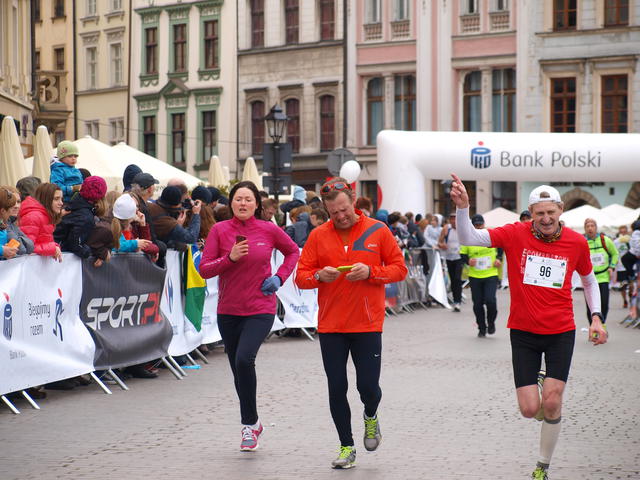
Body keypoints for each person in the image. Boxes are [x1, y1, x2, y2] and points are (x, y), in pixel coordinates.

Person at [450, 175, 607, 480]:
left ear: (560, 210)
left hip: (561, 331)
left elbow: (589, 281)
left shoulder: (576, 242)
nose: (546, 219)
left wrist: (596, 317)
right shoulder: (514, 233)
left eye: (551, 212)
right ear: (531, 213)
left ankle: (542, 466)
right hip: (523, 332)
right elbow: (469, 237)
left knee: (552, 401)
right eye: (540, 213)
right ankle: (542, 390)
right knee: (528, 409)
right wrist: (463, 207)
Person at [295, 178, 408, 470]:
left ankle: (371, 415)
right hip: (331, 325)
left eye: (344, 209)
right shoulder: (318, 235)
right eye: (334, 213)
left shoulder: (378, 230)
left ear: (354, 201)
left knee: (367, 387)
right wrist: (319, 276)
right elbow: (301, 277)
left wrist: (371, 272)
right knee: (336, 388)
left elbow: (399, 269)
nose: (341, 216)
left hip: (367, 323)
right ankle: (346, 446)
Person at [199, 180, 300, 452]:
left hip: (260, 307)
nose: (243, 203)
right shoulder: (220, 230)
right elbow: (205, 270)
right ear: (231, 203)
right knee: (238, 369)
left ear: (257, 204)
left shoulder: (268, 229)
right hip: (229, 310)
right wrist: (229, 258)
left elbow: (292, 252)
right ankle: (254, 423)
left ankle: (247, 425)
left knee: (245, 359)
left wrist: (279, 278)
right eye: (238, 199)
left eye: (248, 199)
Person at [460, 214, 502, 337]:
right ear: (472, 226)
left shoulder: (490, 235)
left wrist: (499, 258)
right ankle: (482, 327)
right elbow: (462, 255)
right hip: (475, 276)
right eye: (476, 225)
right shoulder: (468, 238)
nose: (478, 227)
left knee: (490, 300)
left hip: (491, 274)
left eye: (480, 224)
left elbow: (500, 247)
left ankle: (491, 322)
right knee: (477, 304)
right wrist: (468, 261)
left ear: (484, 224)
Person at [54, 176, 107, 261]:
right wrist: (91, 252)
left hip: (57, 254)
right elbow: (75, 245)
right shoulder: (85, 217)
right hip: (60, 259)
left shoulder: (75, 205)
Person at [583, 218, 618, 327]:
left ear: (596, 227)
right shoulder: (583, 242)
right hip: (589, 278)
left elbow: (615, 254)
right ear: (585, 228)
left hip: (603, 277)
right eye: (587, 226)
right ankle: (593, 326)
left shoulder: (605, 240)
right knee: (590, 306)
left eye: (592, 226)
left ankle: (602, 325)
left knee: (604, 304)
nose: (590, 228)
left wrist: (612, 267)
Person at [19, 183, 64, 261]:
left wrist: (55, 246)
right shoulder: (33, 217)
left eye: (61, 199)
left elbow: (43, 241)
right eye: (56, 199)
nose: (61, 203)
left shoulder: (46, 216)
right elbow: (26, 247)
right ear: (46, 199)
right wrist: (52, 248)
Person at [148, 186, 201, 251]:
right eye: (181, 202)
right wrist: (196, 214)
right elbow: (191, 238)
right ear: (175, 205)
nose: (181, 205)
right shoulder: (166, 221)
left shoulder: (151, 206)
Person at [438, 212, 463, 311]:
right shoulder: (446, 229)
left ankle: (458, 301)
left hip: (459, 257)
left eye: (455, 219)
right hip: (449, 257)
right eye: (451, 219)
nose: (453, 221)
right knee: (453, 279)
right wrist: (442, 245)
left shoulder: (462, 229)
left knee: (457, 278)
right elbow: (439, 242)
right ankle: (455, 300)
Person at [0, 187, 31, 259]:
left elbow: (30, 245)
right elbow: (22, 249)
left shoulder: (4, 224)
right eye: (11, 208)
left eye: (19, 202)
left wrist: (5, 251)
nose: (16, 206)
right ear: (3, 211)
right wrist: (2, 250)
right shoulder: (6, 224)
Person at [614, 225, 631, 308]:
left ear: (627, 232)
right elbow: (614, 253)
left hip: (630, 267)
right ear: (619, 232)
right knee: (623, 286)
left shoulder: (631, 240)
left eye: (625, 232)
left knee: (631, 285)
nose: (623, 234)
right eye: (622, 232)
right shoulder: (616, 242)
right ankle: (625, 300)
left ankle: (631, 298)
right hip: (620, 267)